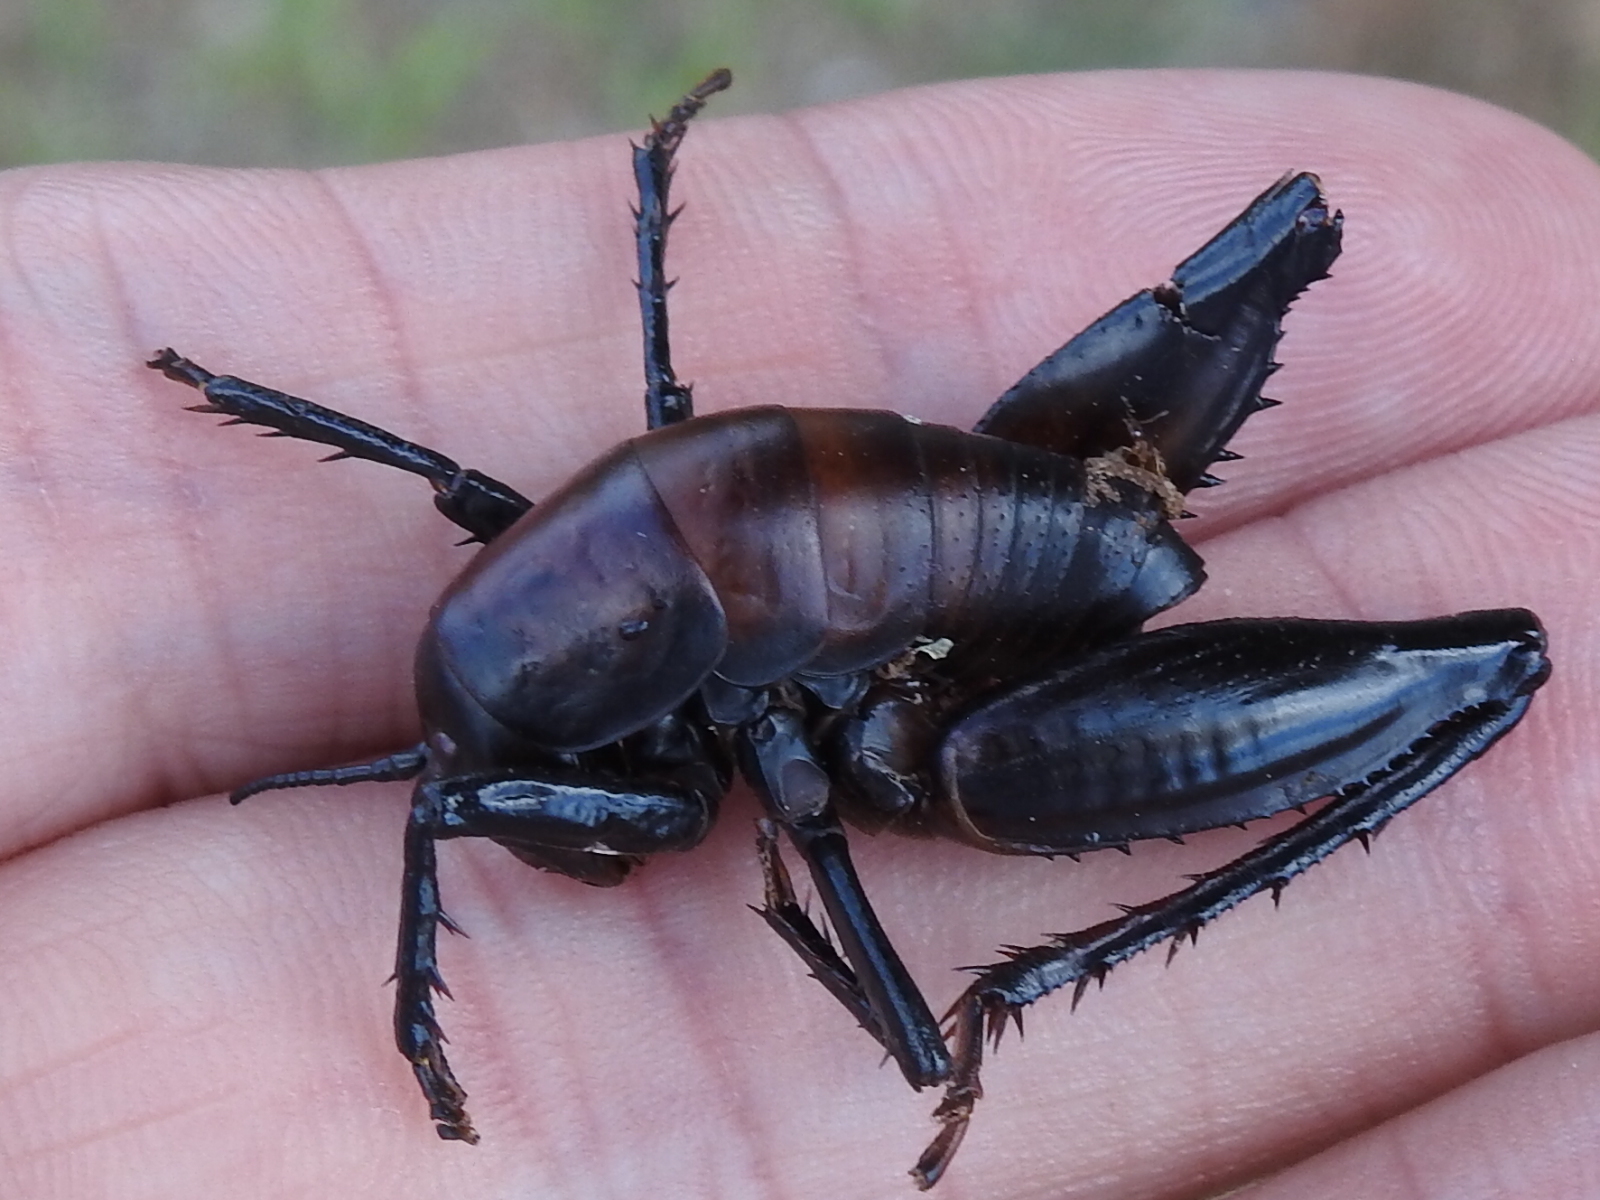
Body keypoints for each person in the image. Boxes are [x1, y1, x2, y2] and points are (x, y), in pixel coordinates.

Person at [0, 69, 1596, 1198]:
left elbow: (461, 785)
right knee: (1471, 669)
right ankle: (1015, 990)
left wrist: (430, 1030)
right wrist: (231, 386)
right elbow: (521, 471)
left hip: (929, 654)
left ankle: (1020, 996)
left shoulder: (645, 728)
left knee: (924, 948)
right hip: (943, 530)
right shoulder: (569, 561)